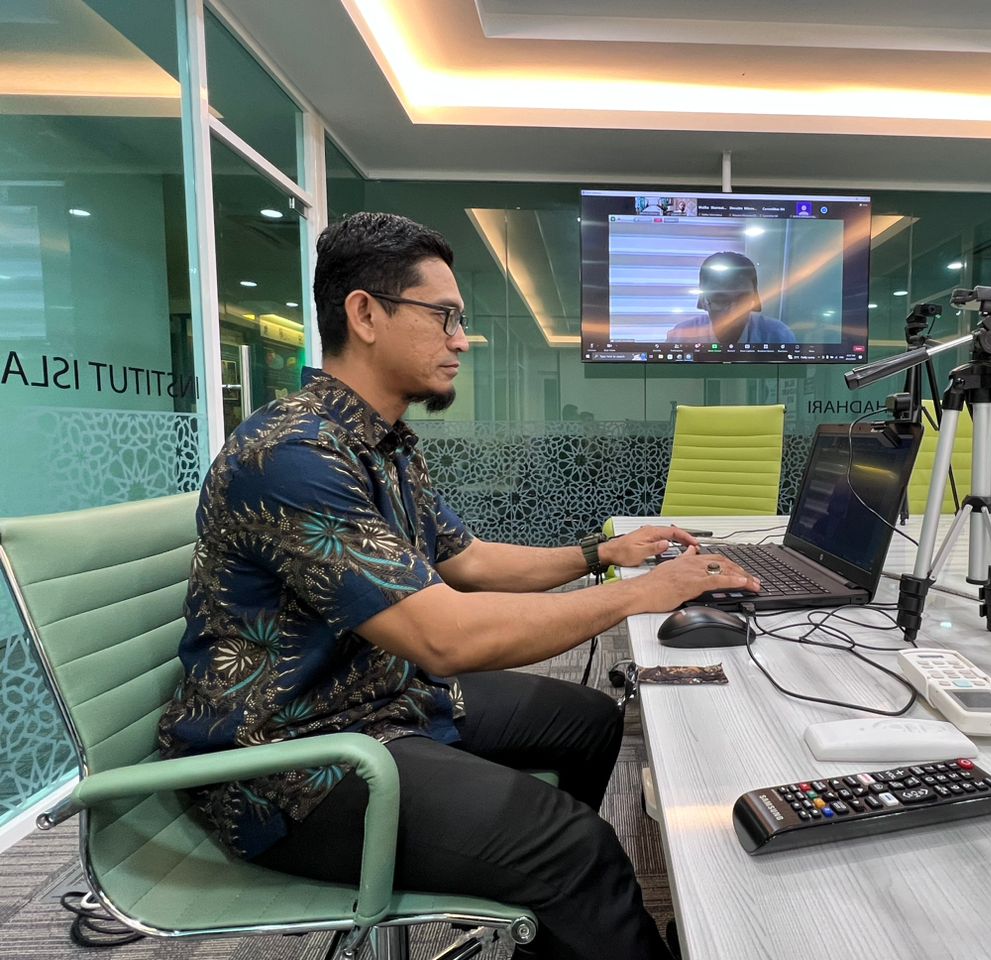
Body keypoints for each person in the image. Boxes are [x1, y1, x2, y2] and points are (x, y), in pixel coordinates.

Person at [156, 212, 759, 960]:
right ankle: (563, 883)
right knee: (577, 846)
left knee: (590, 720)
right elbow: (444, 638)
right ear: (365, 314)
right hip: (289, 760)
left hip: (376, 696)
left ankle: (556, 921)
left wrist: (602, 554)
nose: (462, 339)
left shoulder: (380, 441)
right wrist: (639, 592)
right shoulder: (295, 455)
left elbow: (467, 560)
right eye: (444, 316)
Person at [666, 251, 797, 346]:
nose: (733, 312)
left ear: (754, 298)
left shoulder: (778, 335)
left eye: (742, 300)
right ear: (703, 301)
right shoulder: (681, 336)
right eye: (720, 300)